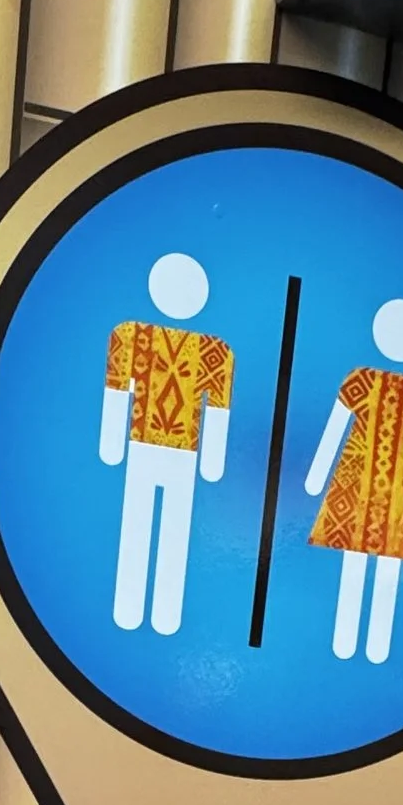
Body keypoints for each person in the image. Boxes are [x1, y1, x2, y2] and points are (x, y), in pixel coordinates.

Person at [302, 297, 403, 665]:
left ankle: (372, 651)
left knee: (387, 571)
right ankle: (346, 645)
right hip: (362, 488)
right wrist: (317, 474)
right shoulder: (361, 380)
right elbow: (336, 427)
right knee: (357, 564)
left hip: (397, 493)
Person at [102, 251, 233, 635]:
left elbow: (218, 409)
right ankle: (128, 608)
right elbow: (117, 393)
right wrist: (113, 441)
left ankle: (166, 615)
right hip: (143, 448)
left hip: (184, 456)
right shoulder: (130, 336)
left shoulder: (216, 350)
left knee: (175, 530)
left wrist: (212, 460)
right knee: (137, 524)